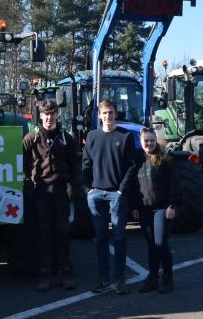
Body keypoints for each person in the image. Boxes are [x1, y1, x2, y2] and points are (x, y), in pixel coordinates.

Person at [82, 99, 138, 294]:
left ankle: (119, 278)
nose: (108, 116)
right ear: (99, 115)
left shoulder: (125, 136)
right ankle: (103, 277)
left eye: (111, 113)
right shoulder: (92, 136)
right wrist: (87, 188)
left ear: (116, 114)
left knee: (120, 236)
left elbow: (132, 165)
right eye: (104, 113)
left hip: (116, 194)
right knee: (100, 237)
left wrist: (122, 189)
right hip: (95, 194)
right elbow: (86, 163)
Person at [22, 99, 79, 292]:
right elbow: (22, 165)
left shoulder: (67, 139)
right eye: (46, 114)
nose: (49, 118)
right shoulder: (31, 138)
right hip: (41, 192)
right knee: (43, 233)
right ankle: (44, 274)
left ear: (57, 115)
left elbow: (74, 165)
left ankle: (66, 272)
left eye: (52, 114)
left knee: (62, 233)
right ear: (41, 115)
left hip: (61, 191)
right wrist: (29, 186)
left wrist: (72, 188)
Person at [132, 127, 179, 294]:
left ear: (156, 140)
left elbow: (174, 183)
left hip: (162, 208)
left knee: (161, 244)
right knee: (151, 245)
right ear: (141, 141)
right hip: (144, 209)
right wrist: (135, 207)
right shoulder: (137, 160)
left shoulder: (165, 159)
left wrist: (172, 205)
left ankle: (167, 278)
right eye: (146, 140)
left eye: (152, 140)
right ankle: (152, 278)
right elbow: (134, 186)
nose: (149, 143)